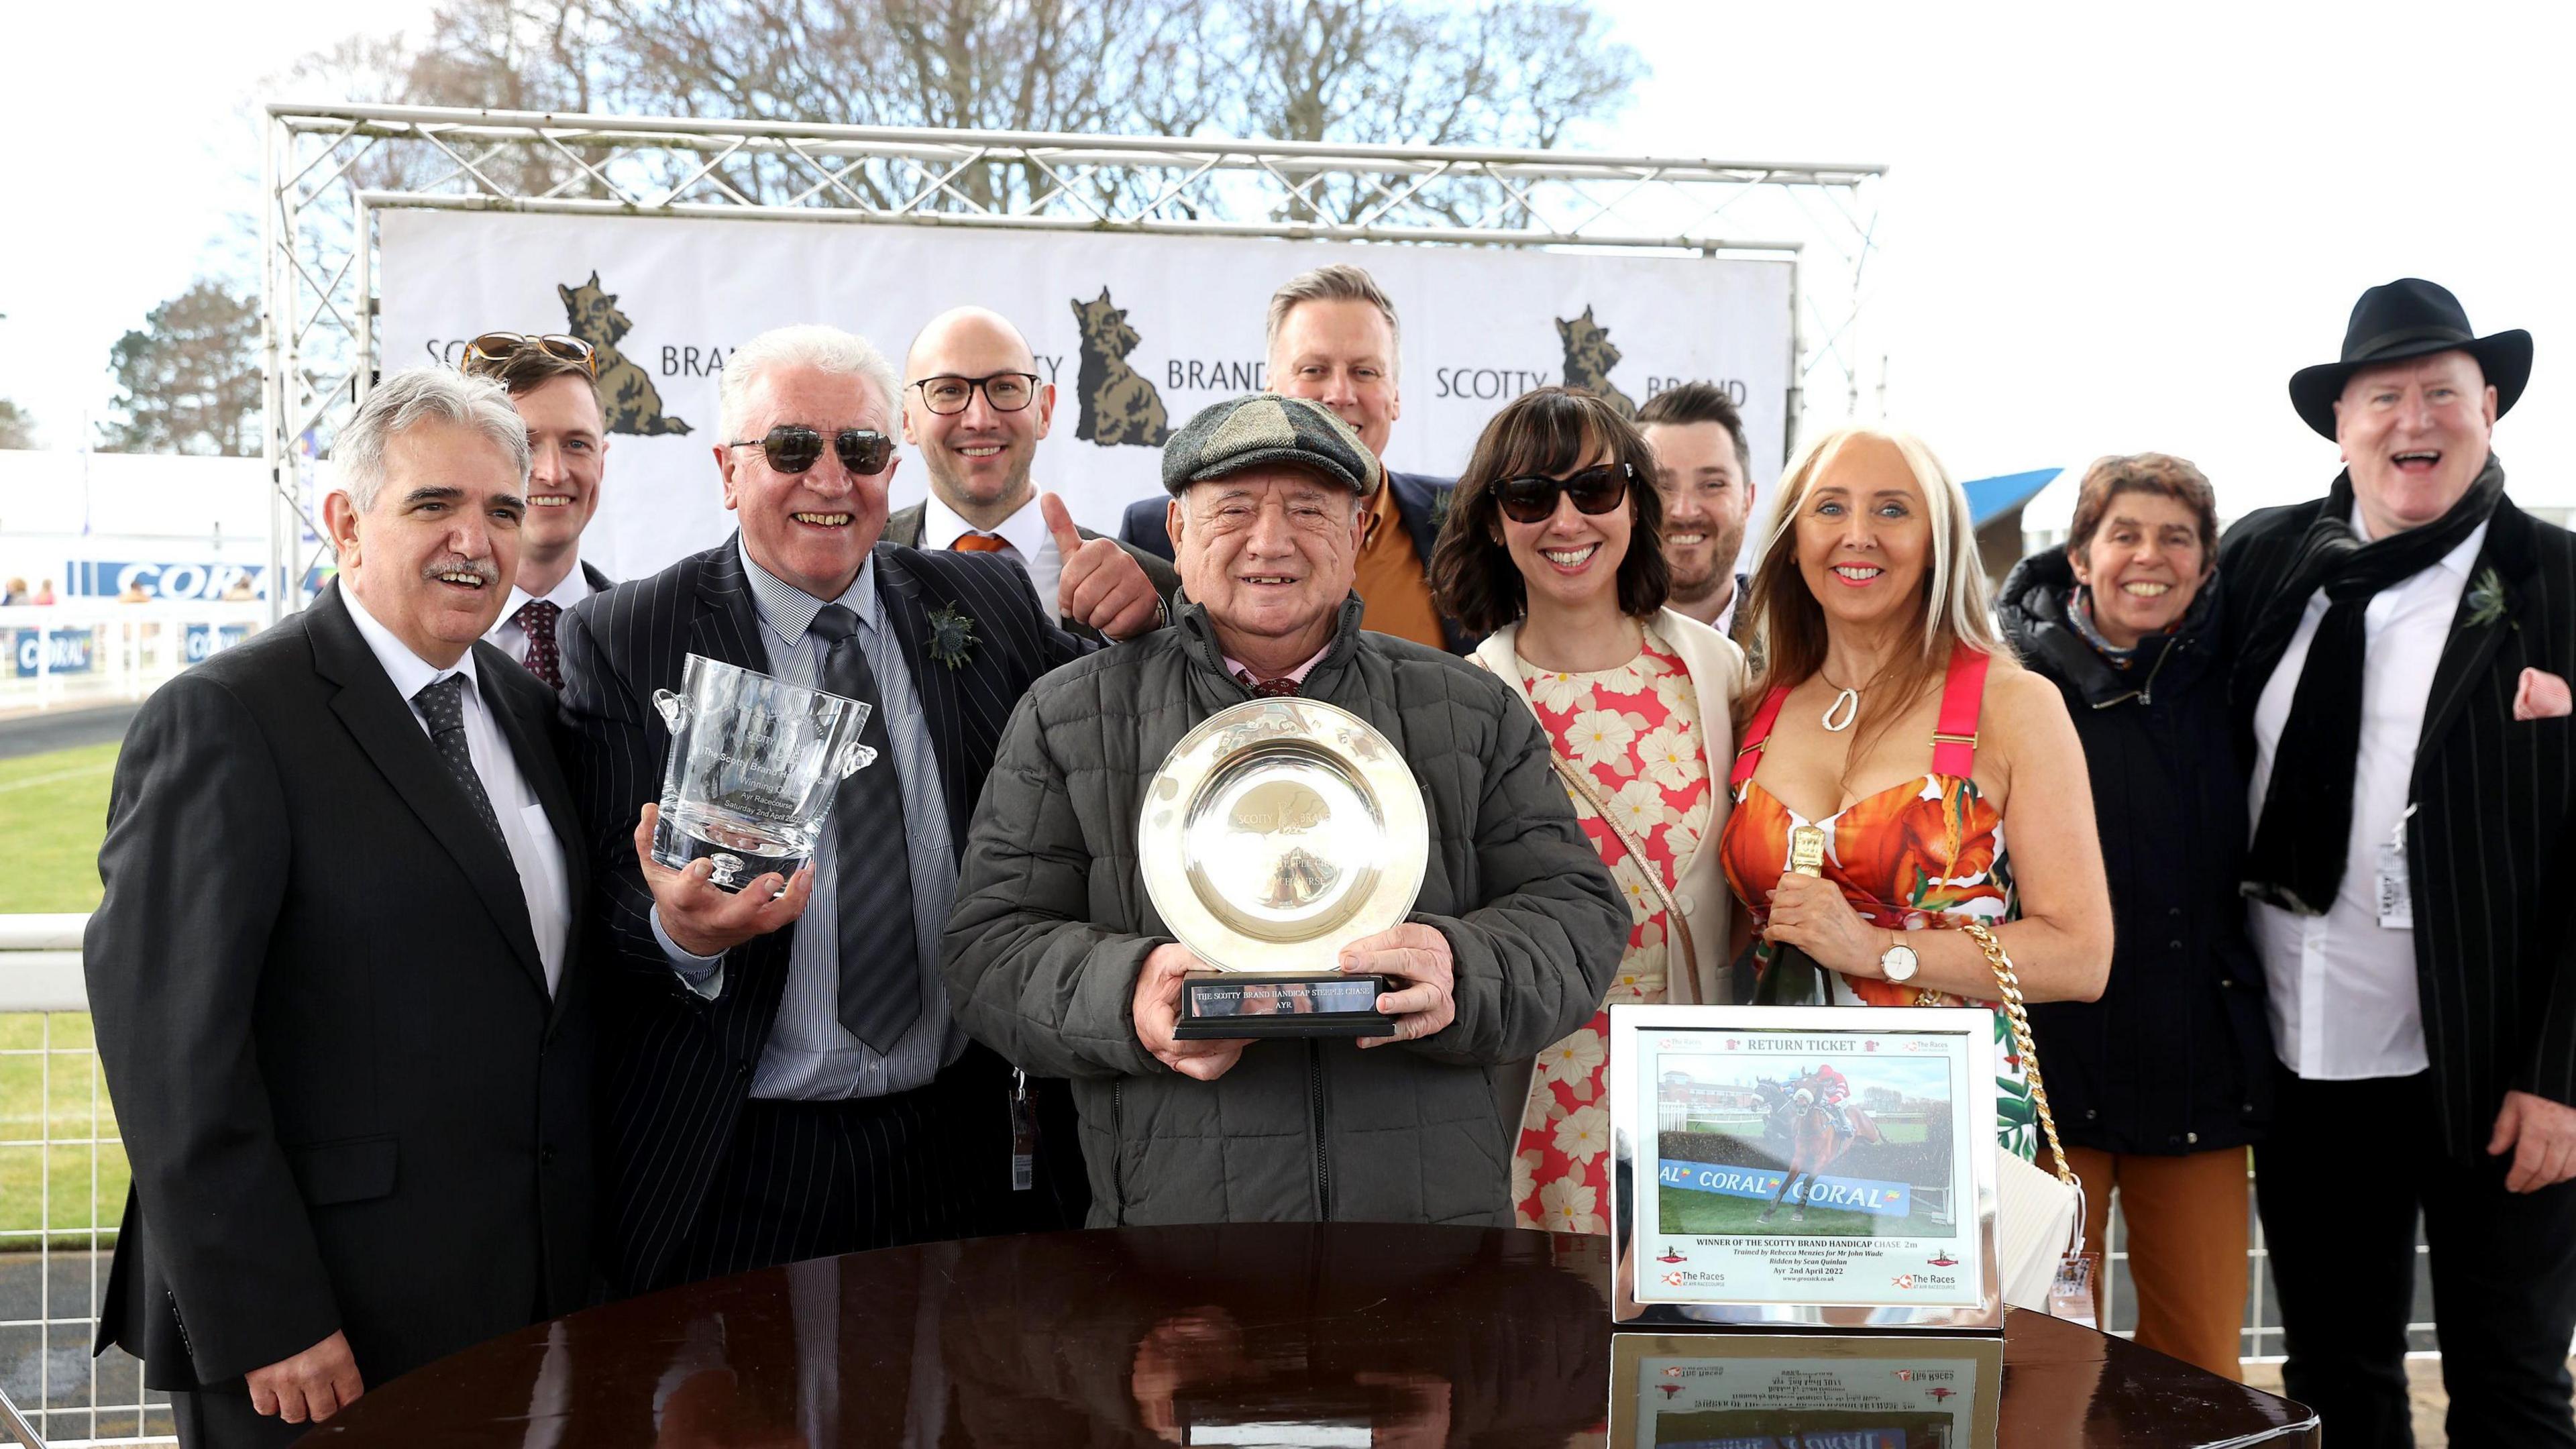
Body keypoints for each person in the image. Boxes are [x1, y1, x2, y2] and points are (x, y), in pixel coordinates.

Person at [556, 324, 1149, 1295]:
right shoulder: (629, 634)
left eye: (862, 451)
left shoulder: (988, 599)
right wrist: (680, 931)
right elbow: (601, 892)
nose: (830, 481)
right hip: (745, 1159)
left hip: (960, 1142)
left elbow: (1111, 751)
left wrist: (1146, 611)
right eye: (792, 448)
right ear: (727, 471)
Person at [943, 392, 1627, 1226]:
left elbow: (1581, 914)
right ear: (1178, 535)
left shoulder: (1467, 709)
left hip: (1428, 1244)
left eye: (1308, 509)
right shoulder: (1069, 717)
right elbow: (986, 953)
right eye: (1233, 509)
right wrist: (1130, 995)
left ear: (1358, 537)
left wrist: (1462, 967)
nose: (1271, 541)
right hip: (1179, 1249)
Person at [84, 369, 590, 1449]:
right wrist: (269, 1317)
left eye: (503, 510)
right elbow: (175, 1061)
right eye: (434, 506)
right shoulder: (226, 719)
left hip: (518, 1301)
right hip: (317, 1340)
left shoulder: (525, 708)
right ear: (347, 523)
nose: (477, 539)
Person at [2223, 278, 2576, 1447]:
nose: (2412, 418)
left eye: (2442, 392)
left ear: (2489, 412)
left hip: (2496, 1068)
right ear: (2342, 422)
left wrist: (2564, 1074)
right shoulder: (2267, 563)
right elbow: (2114, 631)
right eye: (2385, 395)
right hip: (2307, 1055)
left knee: (2513, 1387)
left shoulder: (2559, 585)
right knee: (2332, 1375)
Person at [1718, 425, 2111, 1158]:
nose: (1857, 535)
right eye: (1829, 509)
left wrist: (1879, 950)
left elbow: (2082, 957)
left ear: (1939, 542)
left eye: (1893, 510)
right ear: (1793, 540)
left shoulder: (2014, 706)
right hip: (1782, 1115)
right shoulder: (1755, 707)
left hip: (1949, 1130)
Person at [1427, 385, 1743, 1234]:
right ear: (1496, 522)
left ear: (1636, 504)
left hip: (1704, 1081)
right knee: (1542, 1349)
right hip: (1535, 1086)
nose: (1567, 520)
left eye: (1595, 490)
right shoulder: (1460, 701)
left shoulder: (1718, 672)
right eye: (1531, 496)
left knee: (1689, 1351)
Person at [1998, 453, 2272, 1379]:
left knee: (2200, 1373)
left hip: (2198, 1071)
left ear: (2205, 563)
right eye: (2124, 535)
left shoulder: (2237, 677)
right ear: (2079, 555)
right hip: (2045, 1078)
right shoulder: (2011, 682)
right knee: (2041, 1369)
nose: (2147, 558)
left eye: (2176, 538)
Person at [1120, 264, 1470, 653]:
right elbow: (1135, 672)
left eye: (1365, 371)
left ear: (1396, 395)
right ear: (1270, 387)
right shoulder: (1153, 532)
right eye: (1313, 369)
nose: (1339, 393)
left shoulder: (1467, 520)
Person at [884, 305, 1179, 636]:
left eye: (1005, 387)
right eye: (949, 390)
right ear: (906, 419)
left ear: (1045, 410)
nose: (980, 419)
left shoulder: (1162, 595)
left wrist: (1149, 633)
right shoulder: (855, 564)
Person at [459, 331, 616, 689]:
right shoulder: (419, 641)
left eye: (577, 444)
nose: (553, 472)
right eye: (524, 444)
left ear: (601, 464)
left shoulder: (648, 634)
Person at [1638, 382, 1758, 640]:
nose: (1684, 511)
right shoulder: (1582, 641)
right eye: (1662, 486)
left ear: (1748, 500)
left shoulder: (1801, 640)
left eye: (1712, 485)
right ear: (1633, 502)